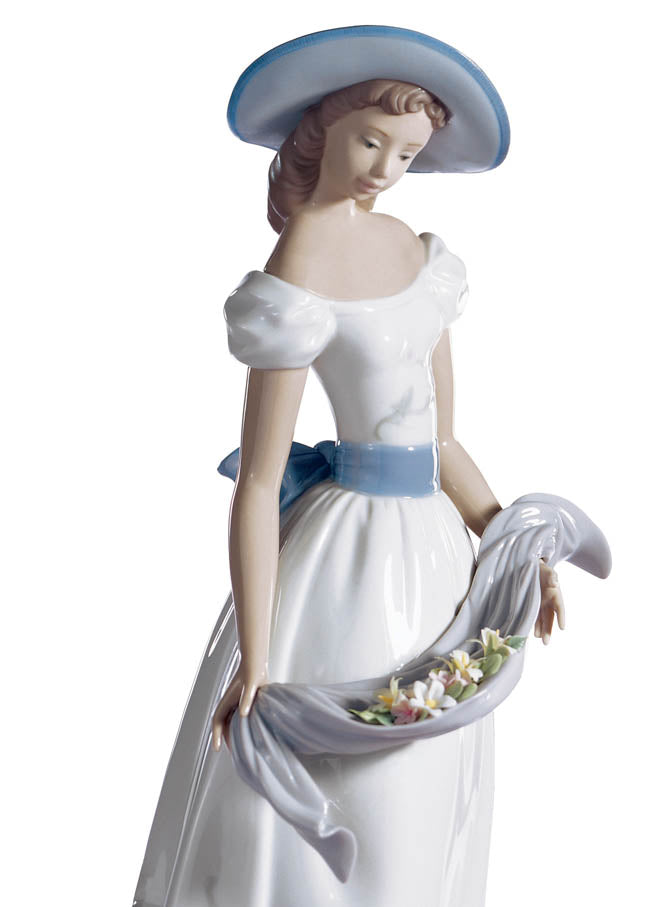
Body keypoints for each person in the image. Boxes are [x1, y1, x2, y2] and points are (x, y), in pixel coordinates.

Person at [132, 27, 564, 907]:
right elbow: (259, 480)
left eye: (405, 154)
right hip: (348, 558)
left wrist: (514, 547)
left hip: (433, 554)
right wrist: (256, 660)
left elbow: (444, 441)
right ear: (319, 131)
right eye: (370, 141)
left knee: (423, 771)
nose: (384, 170)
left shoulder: (416, 251)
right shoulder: (300, 260)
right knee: (347, 777)